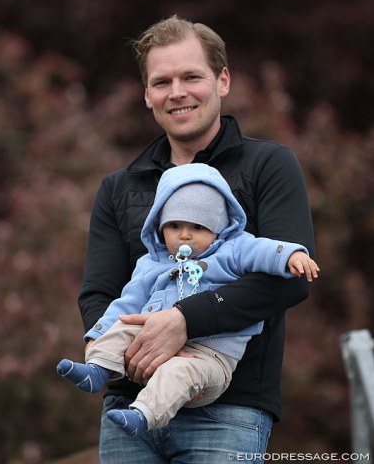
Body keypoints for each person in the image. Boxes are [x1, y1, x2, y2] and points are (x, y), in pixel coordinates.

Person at [76, 15, 316, 463]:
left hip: (228, 412)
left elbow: (292, 278)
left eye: (192, 76)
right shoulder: (119, 187)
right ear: (148, 94)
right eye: (162, 81)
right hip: (128, 407)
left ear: (222, 80)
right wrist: (117, 347)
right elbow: (99, 292)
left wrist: (185, 320)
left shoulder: (269, 165)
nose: (177, 92)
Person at [57, 163, 319, 437]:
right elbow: (125, 303)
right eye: (174, 225)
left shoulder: (233, 248)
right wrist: (98, 335)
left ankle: (142, 414)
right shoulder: (151, 263)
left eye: (197, 226)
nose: (184, 234)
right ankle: (97, 369)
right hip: (152, 341)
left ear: (218, 227)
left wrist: (292, 256)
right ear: (159, 227)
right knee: (123, 325)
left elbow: (264, 251)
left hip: (209, 356)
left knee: (179, 373)